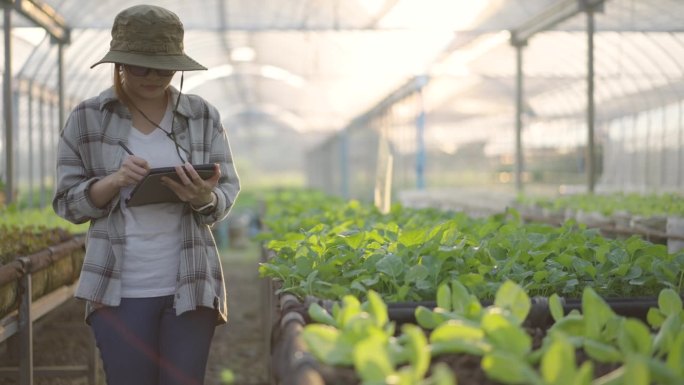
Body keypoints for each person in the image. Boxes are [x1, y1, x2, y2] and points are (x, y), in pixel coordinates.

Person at [52, 4, 240, 385]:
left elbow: (226, 190)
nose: (154, 76)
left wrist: (200, 196)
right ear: (119, 64)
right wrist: (114, 181)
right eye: (141, 66)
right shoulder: (88, 118)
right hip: (118, 287)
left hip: (190, 282)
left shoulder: (203, 116)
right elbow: (66, 203)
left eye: (165, 67)